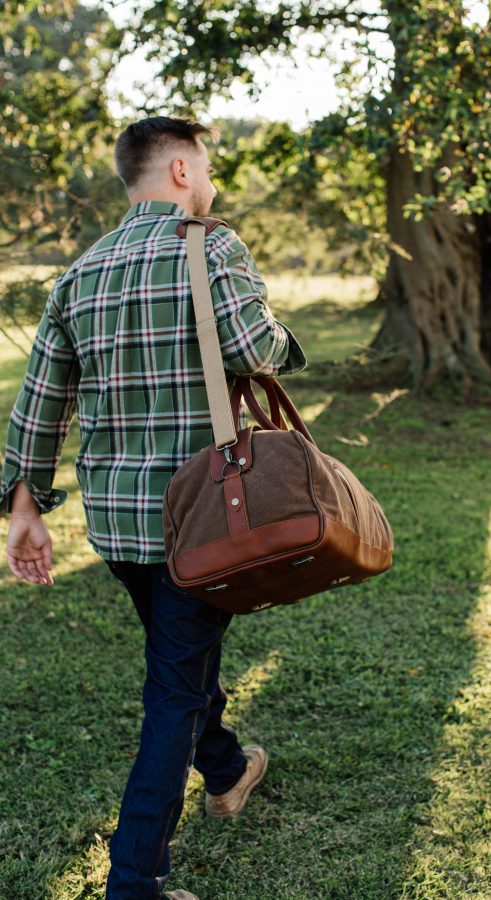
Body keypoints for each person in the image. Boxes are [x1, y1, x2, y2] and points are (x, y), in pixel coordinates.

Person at [0, 116, 307, 899]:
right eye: (205, 166)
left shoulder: (81, 272)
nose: (211, 181)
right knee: (174, 689)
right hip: (205, 521)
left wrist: (24, 508)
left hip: (117, 525)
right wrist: (282, 334)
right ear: (177, 170)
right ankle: (135, 880)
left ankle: (231, 770)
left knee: (183, 659)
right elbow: (254, 349)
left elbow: (40, 401)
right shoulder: (212, 245)